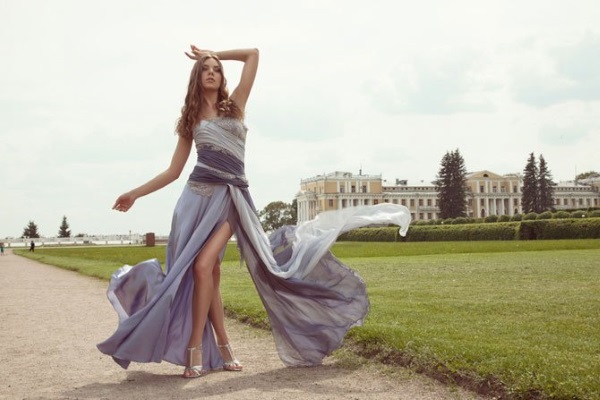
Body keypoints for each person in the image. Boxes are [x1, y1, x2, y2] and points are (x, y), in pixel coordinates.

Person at [97, 45, 411, 379]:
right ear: (197, 76)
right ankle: (223, 346)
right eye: (206, 68)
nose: (212, 71)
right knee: (209, 275)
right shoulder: (190, 120)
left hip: (233, 200)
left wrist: (214, 51)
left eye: (217, 68)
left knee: (204, 268)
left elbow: (253, 55)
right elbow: (174, 171)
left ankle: (194, 349)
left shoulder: (236, 106)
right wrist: (135, 193)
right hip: (195, 200)